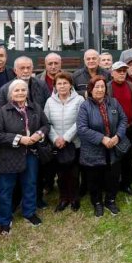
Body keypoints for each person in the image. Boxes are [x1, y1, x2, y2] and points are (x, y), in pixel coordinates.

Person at [0, 79, 49, 234]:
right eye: (16, 90)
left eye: (23, 90)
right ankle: (4, 220)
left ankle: (29, 213)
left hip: (30, 154)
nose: (20, 93)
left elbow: (46, 125)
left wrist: (39, 134)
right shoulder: (3, 111)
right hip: (8, 157)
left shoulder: (35, 107)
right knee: (5, 189)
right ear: (11, 94)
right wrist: (19, 138)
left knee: (30, 184)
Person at [77, 77, 128, 217]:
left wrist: (117, 136)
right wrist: (102, 138)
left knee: (113, 176)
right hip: (94, 149)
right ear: (91, 89)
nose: (100, 90)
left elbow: (123, 120)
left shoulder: (113, 102)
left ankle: (110, 200)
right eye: (96, 87)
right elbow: (82, 128)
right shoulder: (85, 106)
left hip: (113, 147)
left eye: (102, 87)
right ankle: (97, 202)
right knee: (94, 179)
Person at [43, 71, 84, 212]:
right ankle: (63, 198)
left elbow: (80, 122)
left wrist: (66, 138)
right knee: (61, 174)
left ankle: (74, 198)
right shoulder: (49, 101)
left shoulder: (79, 100)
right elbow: (46, 123)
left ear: (70, 85)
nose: (62, 86)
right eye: (59, 83)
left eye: (65, 83)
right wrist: (56, 139)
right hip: (57, 145)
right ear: (54, 86)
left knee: (73, 173)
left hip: (74, 143)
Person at [107, 61, 132, 195]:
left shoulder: (131, 86)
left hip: (130, 128)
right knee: (115, 159)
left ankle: (126, 184)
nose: (121, 73)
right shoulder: (107, 87)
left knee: (128, 157)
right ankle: (113, 183)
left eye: (124, 71)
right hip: (113, 130)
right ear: (112, 73)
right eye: (119, 71)